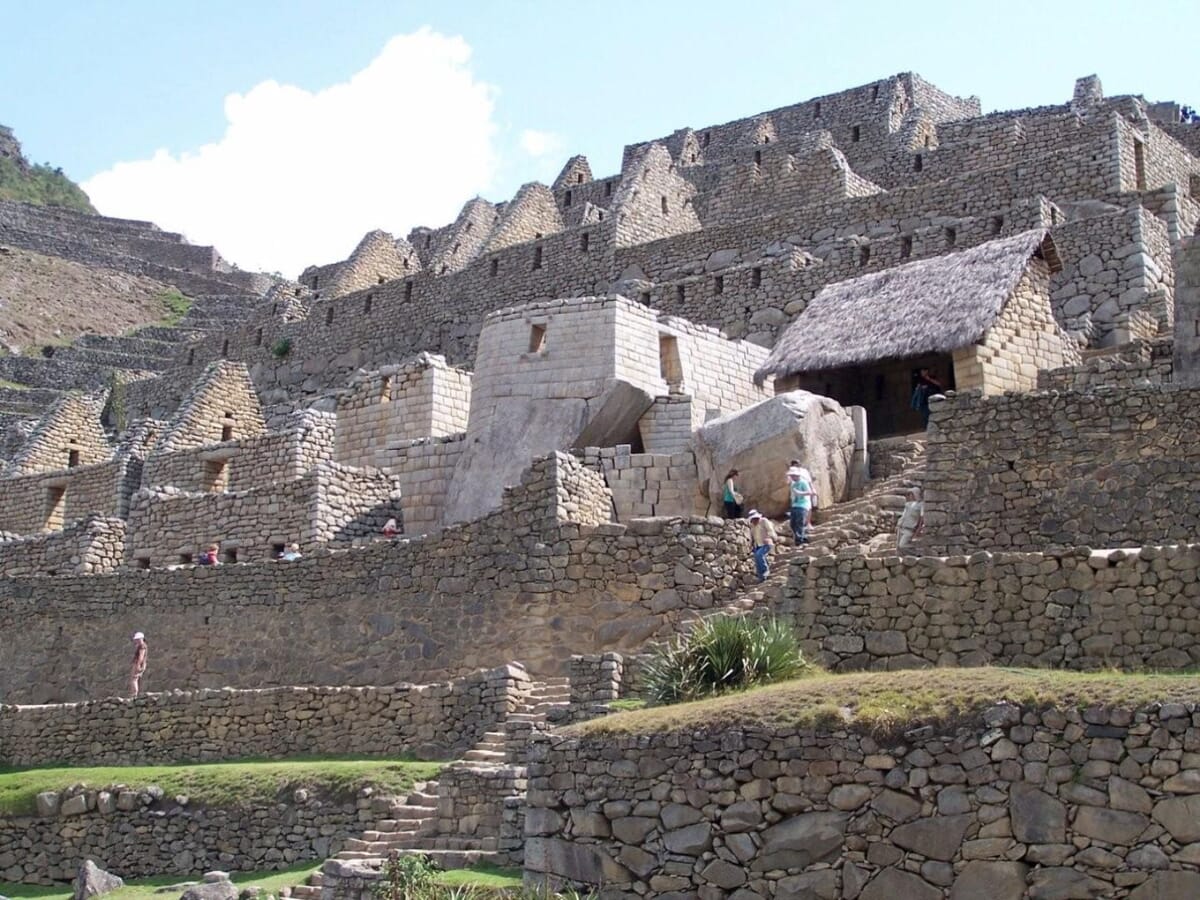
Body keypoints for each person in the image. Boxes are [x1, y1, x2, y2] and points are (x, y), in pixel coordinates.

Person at [786, 467, 817, 544]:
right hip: (795, 505)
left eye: (793, 475)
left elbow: (810, 492)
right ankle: (803, 538)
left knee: (799, 523)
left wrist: (800, 493)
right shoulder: (793, 484)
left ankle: (799, 540)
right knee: (792, 524)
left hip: (803, 505)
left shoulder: (803, 482)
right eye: (791, 475)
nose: (792, 477)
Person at [747, 510, 776, 583]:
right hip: (758, 545)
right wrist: (751, 544)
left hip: (766, 543)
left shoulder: (764, 521)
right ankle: (761, 576)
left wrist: (769, 537)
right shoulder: (752, 526)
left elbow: (771, 530)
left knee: (759, 555)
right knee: (757, 558)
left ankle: (765, 571)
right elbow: (753, 536)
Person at [129, 632, 148, 698]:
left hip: (138, 663)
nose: (136, 641)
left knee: (134, 679)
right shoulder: (141, 646)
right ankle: (135, 694)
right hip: (139, 664)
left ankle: (134, 694)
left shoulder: (142, 646)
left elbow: (141, 657)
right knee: (136, 679)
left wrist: (138, 665)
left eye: (138, 639)